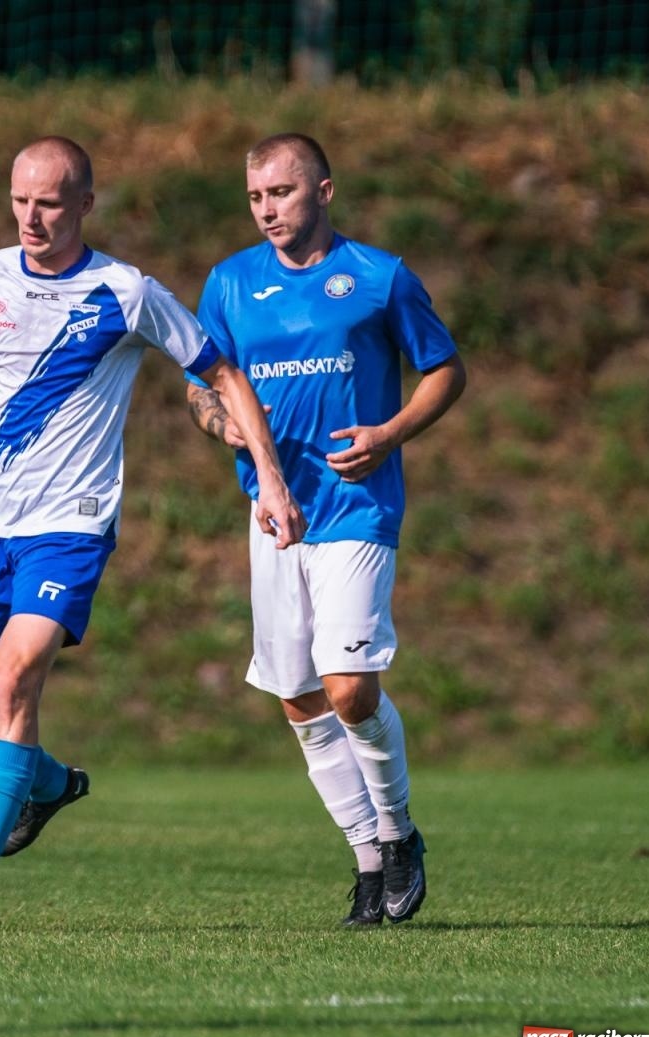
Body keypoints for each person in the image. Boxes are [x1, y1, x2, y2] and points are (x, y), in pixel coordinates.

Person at [0, 136, 304, 931]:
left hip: (69, 528)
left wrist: (271, 480)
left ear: (85, 204)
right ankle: (46, 783)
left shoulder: (125, 291)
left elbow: (220, 371)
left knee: (13, 679)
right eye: (20, 201)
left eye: (50, 203)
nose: (32, 217)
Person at [185, 132, 466, 927]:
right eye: (255, 197)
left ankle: (401, 831)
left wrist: (390, 433)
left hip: (356, 507)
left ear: (324, 191)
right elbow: (203, 388)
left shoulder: (379, 278)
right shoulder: (231, 284)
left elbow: (446, 369)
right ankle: (369, 859)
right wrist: (220, 424)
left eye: (282, 192)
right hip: (275, 512)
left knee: (348, 685)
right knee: (301, 698)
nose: (267, 209)